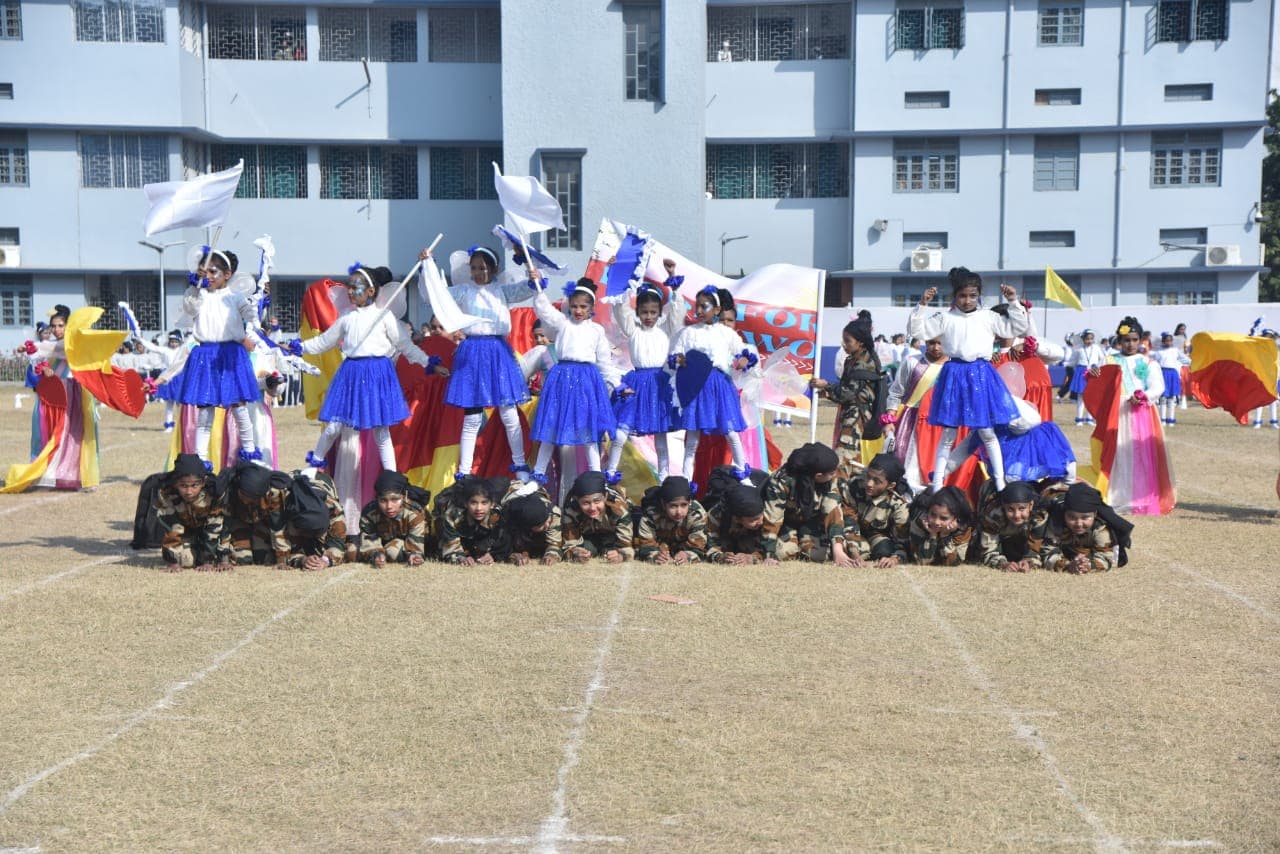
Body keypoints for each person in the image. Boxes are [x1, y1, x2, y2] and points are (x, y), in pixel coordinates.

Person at [289, 264, 432, 473]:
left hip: (378, 374)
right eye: (349, 286)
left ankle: (391, 477)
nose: (349, 291)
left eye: (356, 286)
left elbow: (405, 345)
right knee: (334, 426)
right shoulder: (346, 317)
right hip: (351, 374)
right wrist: (298, 347)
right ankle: (314, 467)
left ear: (371, 291)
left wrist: (428, 362)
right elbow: (323, 342)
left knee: (381, 430)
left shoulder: (384, 317)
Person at [908, 267, 1029, 492]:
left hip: (981, 375)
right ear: (955, 295)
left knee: (986, 431)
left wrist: (1013, 301)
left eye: (972, 296)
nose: (967, 300)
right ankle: (937, 484)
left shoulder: (988, 317)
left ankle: (1000, 482)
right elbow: (918, 331)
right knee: (948, 433)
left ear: (979, 296)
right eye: (962, 295)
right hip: (954, 374)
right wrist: (922, 304)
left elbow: (1019, 327)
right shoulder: (944, 317)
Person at [426, 244, 533, 482]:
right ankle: (464, 471)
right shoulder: (464, 291)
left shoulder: (502, 291)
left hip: (497, 352)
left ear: (493, 269)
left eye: (482, 268)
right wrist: (429, 265)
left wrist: (530, 267)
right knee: (472, 416)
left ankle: (520, 465)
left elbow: (531, 287)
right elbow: (436, 296)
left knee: (508, 412)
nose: (478, 272)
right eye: (474, 268)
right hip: (472, 352)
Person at [162, 248, 264, 467]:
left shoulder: (235, 298)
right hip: (205, 356)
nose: (208, 276)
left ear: (227, 274)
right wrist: (194, 285)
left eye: (213, 271)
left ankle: (249, 452)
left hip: (230, 355)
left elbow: (251, 316)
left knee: (238, 406)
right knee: (205, 410)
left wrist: (258, 307)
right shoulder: (200, 297)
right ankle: (201, 459)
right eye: (204, 271)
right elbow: (189, 308)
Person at [527, 276, 621, 483]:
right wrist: (536, 287)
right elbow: (544, 310)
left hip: (587, 381)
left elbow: (605, 362)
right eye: (575, 306)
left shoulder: (596, 330)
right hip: (562, 379)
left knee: (589, 430)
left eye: (583, 307)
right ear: (569, 305)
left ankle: (596, 477)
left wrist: (617, 384)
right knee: (552, 427)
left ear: (591, 308)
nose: (578, 310)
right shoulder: (562, 323)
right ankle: (538, 474)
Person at [4, 304, 102, 492]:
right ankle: (49, 474)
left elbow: (52, 348)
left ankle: (79, 476)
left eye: (60, 326)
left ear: (68, 326)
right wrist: (32, 352)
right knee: (49, 432)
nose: (56, 330)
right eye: (54, 326)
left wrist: (32, 347)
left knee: (75, 435)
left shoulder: (73, 343)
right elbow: (43, 354)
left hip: (74, 391)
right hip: (55, 392)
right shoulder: (56, 346)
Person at [1084, 316, 1176, 515]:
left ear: (1141, 340)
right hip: (1116, 413)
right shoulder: (1109, 360)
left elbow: (1158, 386)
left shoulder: (1148, 362)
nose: (1131, 344)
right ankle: (1117, 494)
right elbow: (1099, 384)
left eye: (1135, 340)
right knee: (1116, 452)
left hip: (1140, 414)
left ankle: (1140, 497)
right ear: (1119, 341)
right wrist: (1094, 376)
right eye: (1126, 340)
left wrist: (1144, 395)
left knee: (1140, 454)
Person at [669, 286, 756, 483]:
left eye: (704, 306)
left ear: (717, 310)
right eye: (696, 306)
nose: (698, 311)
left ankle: (743, 473)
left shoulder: (725, 333)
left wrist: (744, 359)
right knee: (692, 437)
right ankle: (685, 479)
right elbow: (674, 356)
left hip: (719, 386)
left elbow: (744, 352)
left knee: (730, 431)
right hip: (696, 387)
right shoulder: (687, 333)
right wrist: (679, 360)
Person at [605, 267, 681, 484]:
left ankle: (665, 476)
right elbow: (621, 309)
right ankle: (610, 471)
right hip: (636, 383)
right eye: (644, 312)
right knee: (622, 430)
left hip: (659, 384)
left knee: (661, 435)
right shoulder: (633, 329)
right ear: (637, 311)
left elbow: (677, 312)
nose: (649, 316)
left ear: (660, 312)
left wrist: (674, 288)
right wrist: (619, 276)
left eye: (653, 312)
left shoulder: (665, 328)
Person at [811, 316, 882, 477]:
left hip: (856, 417)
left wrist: (826, 386)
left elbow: (849, 393)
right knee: (852, 458)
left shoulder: (863, 362)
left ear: (860, 342)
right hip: (850, 413)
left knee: (844, 458)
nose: (844, 344)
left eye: (848, 341)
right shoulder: (852, 359)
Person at [760, 443, 852, 564]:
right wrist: (768, 554)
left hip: (812, 521)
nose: (835, 475)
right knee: (783, 553)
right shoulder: (781, 481)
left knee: (819, 555)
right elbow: (772, 517)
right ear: (818, 476)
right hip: (786, 523)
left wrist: (838, 550)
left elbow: (832, 511)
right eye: (832, 473)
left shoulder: (829, 477)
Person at [884, 336, 949, 494]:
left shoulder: (953, 366)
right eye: (932, 342)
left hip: (939, 424)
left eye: (940, 342)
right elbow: (896, 392)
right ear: (925, 342)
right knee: (905, 463)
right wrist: (889, 420)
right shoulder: (912, 361)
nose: (936, 347)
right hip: (909, 421)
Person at [155, 453, 230, 572]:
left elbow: (216, 527)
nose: (189, 491)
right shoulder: (166, 493)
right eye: (183, 486)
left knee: (235, 556)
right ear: (175, 483)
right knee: (186, 561)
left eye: (194, 485)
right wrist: (173, 561)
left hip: (215, 533)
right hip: (187, 531)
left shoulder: (215, 493)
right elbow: (171, 528)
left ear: (203, 482)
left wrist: (210, 561)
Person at [1041, 482, 1133, 574]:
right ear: (1064, 514)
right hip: (1049, 491)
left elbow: (1106, 557)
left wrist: (1089, 565)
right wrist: (1068, 566)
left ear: (1095, 515)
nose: (1079, 524)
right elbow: (1047, 552)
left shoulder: (1100, 526)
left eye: (1085, 517)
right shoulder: (1056, 520)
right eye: (1072, 517)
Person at [839, 453, 911, 568]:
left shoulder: (898, 506)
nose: (869, 483)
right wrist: (855, 554)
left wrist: (895, 559)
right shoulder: (854, 486)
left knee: (885, 550)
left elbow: (903, 542)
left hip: (875, 536)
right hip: (850, 532)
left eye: (877, 481)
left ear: (891, 485)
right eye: (868, 476)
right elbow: (848, 522)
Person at [223, 462, 292, 569]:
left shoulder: (273, 494)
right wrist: (224, 559)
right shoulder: (230, 491)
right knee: (242, 560)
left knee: (263, 559)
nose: (245, 501)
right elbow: (225, 526)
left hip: (262, 523)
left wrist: (282, 560)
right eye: (243, 495)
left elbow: (277, 526)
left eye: (250, 498)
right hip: (239, 523)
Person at [559, 471, 634, 564]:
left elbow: (627, 547)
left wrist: (621, 556)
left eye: (597, 501)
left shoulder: (619, 509)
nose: (592, 508)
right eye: (585, 503)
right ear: (577, 500)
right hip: (588, 536)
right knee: (588, 549)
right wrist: (575, 554)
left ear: (605, 497)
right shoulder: (571, 511)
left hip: (613, 536)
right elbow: (569, 546)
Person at [635, 476, 711, 564]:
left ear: (690, 502)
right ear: (663, 504)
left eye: (684, 505)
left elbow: (699, 547)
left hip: (683, 547)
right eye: (673, 506)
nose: (679, 512)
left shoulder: (698, 514)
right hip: (661, 546)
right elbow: (645, 545)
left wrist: (688, 555)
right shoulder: (651, 514)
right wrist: (656, 555)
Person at [976, 480, 1049, 573]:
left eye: (1022, 508)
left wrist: (1029, 562)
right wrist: (1002, 564)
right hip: (1000, 539)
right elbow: (987, 551)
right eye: (1010, 509)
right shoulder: (993, 514)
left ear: (1031, 505)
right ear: (1003, 506)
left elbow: (1037, 548)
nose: (1017, 515)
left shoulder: (1039, 515)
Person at [358, 470, 427, 567]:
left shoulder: (414, 513)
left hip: (408, 544)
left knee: (392, 551)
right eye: (383, 500)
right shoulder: (369, 513)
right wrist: (376, 554)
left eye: (395, 499)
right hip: (382, 543)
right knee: (351, 550)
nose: (389, 506)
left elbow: (416, 545)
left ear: (405, 496)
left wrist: (414, 555)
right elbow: (369, 540)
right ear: (376, 498)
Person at [283, 468, 347, 571]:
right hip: (293, 505)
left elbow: (338, 543)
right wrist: (301, 560)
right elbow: (281, 551)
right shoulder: (284, 507)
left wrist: (326, 560)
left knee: (320, 550)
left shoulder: (334, 509)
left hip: (323, 484)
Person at [439, 477, 511, 565]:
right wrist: (461, 558)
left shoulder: (498, 517)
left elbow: (503, 546)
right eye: (473, 503)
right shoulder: (452, 516)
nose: (478, 508)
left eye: (484, 503)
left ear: (492, 504)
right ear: (466, 503)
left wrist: (491, 555)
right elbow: (449, 547)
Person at [706, 480, 773, 565]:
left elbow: (769, 546)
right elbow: (710, 545)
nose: (760, 522)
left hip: (752, 539)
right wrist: (720, 557)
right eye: (753, 520)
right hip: (727, 539)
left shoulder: (769, 513)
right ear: (737, 519)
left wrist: (752, 558)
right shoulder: (715, 516)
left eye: (760, 517)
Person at [907, 485, 975, 566]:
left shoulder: (962, 528)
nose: (936, 522)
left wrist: (945, 536)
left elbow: (954, 563)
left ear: (955, 518)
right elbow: (921, 561)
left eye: (944, 518)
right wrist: (932, 535)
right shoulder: (920, 521)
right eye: (933, 515)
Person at [498, 481, 562, 565]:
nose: (547, 525)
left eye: (547, 520)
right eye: (540, 525)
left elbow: (555, 542)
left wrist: (551, 555)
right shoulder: (505, 516)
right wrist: (515, 555)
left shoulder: (553, 513)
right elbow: (501, 547)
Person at [1067, 329, 1108, 426]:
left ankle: (1090, 418)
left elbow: (1102, 359)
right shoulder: (1079, 349)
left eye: (1091, 339)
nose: (1089, 341)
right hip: (1081, 372)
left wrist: (1098, 366)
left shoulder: (1097, 348)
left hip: (1093, 372)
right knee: (1081, 397)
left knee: (1092, 397)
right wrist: (1070, 366)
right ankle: (1079, 418)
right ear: (1083, 339)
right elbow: (1073, 360)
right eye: (1087, 339)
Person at [1153, 331, 1191, 426]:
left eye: (1170, 340)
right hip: (1163, 373)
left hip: (1172, 374)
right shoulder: (1159, 352)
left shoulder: (1175, 350)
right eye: (1166, 340)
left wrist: (1183, 363)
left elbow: (1186, 359)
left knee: (1171, 398)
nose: (1168, 342)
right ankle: (1162, 419)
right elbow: (1154, 362)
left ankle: (1171, 419)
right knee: (1163, 398)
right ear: (1163, 341)